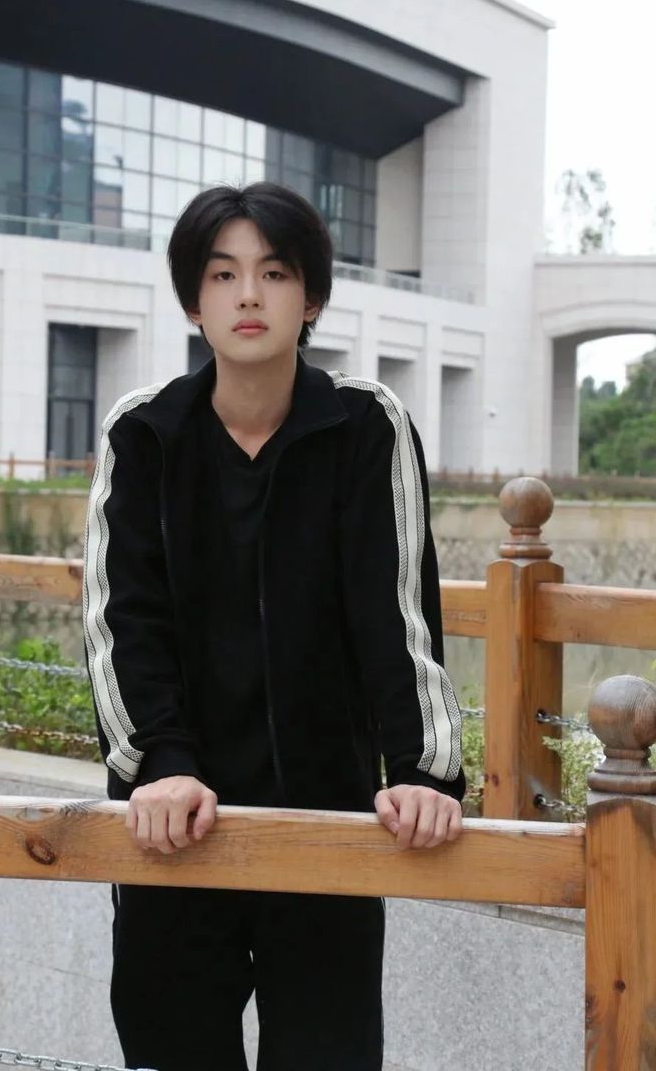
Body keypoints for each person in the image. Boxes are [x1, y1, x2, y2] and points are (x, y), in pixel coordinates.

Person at [83, 181, 465, 1071]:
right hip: (171, 827)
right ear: (193, 301)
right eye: (222, 274)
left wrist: (421, 773)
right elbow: (118, 618)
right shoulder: (144, 432)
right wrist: (160, 765)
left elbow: (398, 611)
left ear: (311, 297)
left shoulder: (365, 424)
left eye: (274, 272)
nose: (247, 295)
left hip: (326, 826)